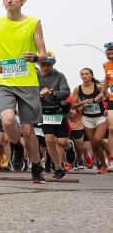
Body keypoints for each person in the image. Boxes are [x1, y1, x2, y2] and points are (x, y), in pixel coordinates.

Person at [0, 0, 48, 183]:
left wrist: (36, 58)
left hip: (27, 82)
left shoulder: (33, 22)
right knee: (8, 121)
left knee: (28, 130)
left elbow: (43, 53)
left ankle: (37, 165)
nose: (9, 0)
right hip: (4, 81)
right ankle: (17, 144)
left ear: (23, 0)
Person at [36, 51, 70, 179]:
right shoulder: (34, 76)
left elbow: (66, 91)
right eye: (43, 64)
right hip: (43, 111)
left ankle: (69, 146)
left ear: (53, 64)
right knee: (49, 139)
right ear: (39, 64)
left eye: (49, 64)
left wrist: (51, 92)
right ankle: (58, 168)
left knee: (62, 142)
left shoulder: (59, 76)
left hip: (58, 111)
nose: (46, 67)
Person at [71, 68, 109, 174]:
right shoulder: (78, 89)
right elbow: (73, 106)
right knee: (94, 143)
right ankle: (103, 165)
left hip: (100, 117)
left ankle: (110, 154)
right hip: (87, 118)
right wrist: (83, 102)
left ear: (91, 75)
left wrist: (104, 101)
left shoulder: (99, 87)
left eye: (87, 74)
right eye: (82, 74)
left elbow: (108, 98)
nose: (84, 76)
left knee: (98, 139)